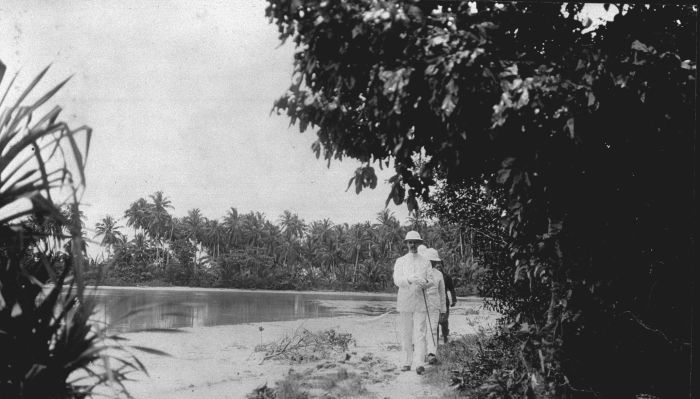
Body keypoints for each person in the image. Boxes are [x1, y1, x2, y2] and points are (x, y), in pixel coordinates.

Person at [393, 230, 431, 375]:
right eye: (410, 242)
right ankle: (406, 362)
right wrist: (410, 279)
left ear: (419, 243)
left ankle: (420, 363)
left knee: (420, 333)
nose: (412, 244)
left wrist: (424, 283)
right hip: (405, 300)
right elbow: (397, 280)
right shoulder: (400, 261)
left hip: (420, 301)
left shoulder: (425, 261)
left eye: (415, 242)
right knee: (406, 333)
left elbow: (431, 281)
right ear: (406, 244)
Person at [423, 248, 446, 365]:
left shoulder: (439, 274)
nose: (431, 262)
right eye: (429, 260)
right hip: (422, 305)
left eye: (433, 261)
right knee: (422, 330)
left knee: (433, 329)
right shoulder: (421, 273)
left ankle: (431, 354)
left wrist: (443, 310)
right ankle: (422, 353)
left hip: (435, 306)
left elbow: (442, 294)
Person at [435, 260, 457, 343]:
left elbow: (451, 289)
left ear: (442, 267)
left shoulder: (447, 277)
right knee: (435, 321)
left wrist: (454, 300)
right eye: (437, 266)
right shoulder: (432, 277)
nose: (438, 267)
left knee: (444, 320)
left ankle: (445, 338)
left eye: (440, 265)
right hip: (434, 302)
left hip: (445, 301)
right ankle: (435, 342)